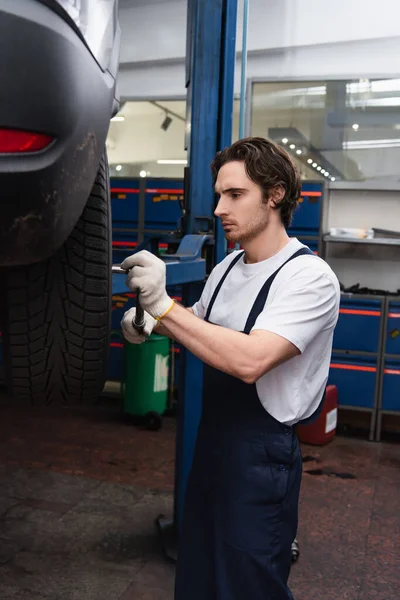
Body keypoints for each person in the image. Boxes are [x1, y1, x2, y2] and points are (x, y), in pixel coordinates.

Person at [120, 137, 340, 600]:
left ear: (275, 194)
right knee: (199, 577)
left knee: (247, 586)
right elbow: (196, 325)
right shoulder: (226, 267)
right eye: (219, 194)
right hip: (213, 447)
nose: (220, 208)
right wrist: (149, 323)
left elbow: (249, 360)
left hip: (262, 462)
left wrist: (163, 307)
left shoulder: (309, 278)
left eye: (235, 195)